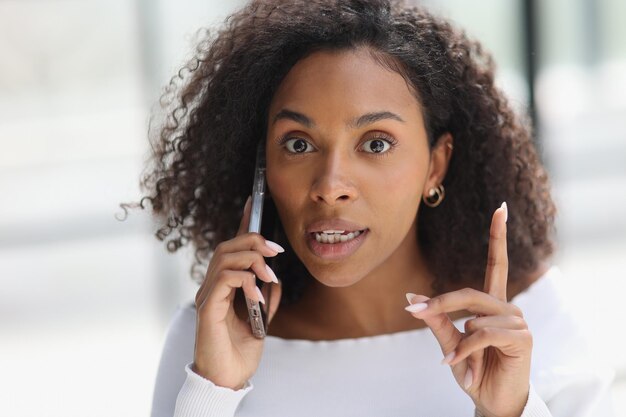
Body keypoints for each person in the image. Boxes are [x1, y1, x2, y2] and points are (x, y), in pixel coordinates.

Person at [123, 0, 615, 415]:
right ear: (261, 168)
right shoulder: (207, 339)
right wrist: (211, 391)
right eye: (297, 144)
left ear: (435, 166)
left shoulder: (532, 324)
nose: (331, 185)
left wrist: (510, 411)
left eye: (376, 144)